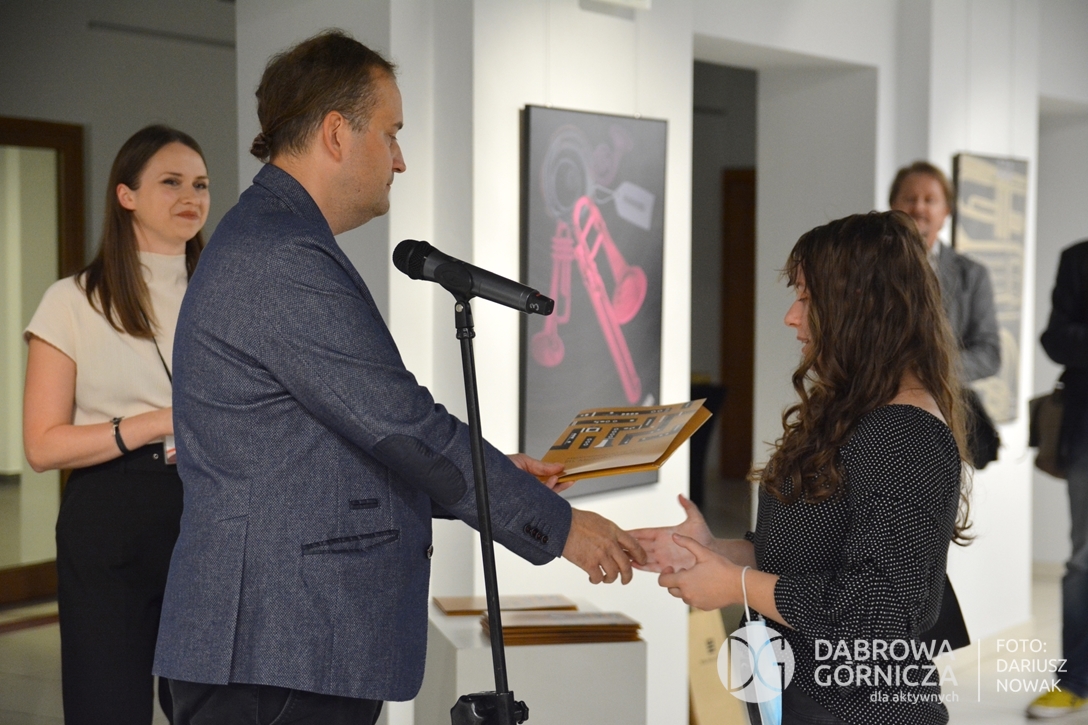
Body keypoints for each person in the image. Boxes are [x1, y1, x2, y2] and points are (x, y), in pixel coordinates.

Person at [152, 30, 645, 723]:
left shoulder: (273, 237)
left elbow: (328, 454)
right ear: (336, 133)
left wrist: (494, 473)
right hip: (276, 644)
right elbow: (401, 425)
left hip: (281, 644)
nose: (400, 159)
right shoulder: (282, 255)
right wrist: (560, 529)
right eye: (391, 134)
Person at [631, 211, 969, 724]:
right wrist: (715, 551)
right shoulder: (859, 411)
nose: (792, 316)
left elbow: (876, 613)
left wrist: (737, 584)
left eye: (809, 299)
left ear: (861, 305)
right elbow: (816, 555)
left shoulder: (904, 433)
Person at [22, 125, 209, 725]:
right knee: (108, 705)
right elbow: (42, 445)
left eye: (201, 184)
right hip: (112, 512)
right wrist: (158, 421)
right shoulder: (72, 300)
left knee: (208, 706)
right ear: (126, 195)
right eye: (172, 182)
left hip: (211, 508)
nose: (192, 197)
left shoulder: (226, 294)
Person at [890, 160, 1001, 467]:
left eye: (930, 200)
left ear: (946, 211)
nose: (919, 208)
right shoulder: (870, 269)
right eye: (910, 199)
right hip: (878, 408)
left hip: (946, 417)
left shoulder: (971, 275)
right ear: (893, 206)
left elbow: (989, 354)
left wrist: (928, 369)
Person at [1032, 239, 1088, 718]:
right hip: (1087, 427)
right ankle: (1076, 681)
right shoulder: (1079, 258)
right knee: (1085, 561)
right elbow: (1055, 339)